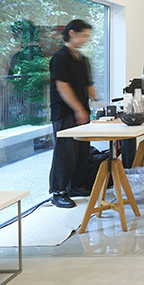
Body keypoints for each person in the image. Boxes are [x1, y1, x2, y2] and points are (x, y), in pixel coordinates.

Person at [48, 19, 98, 208]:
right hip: (65, 112)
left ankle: (76, 186)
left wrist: (99, 101)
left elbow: (88, 85)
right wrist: (78, 109)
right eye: (83, 35)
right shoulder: (60, 57)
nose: (85, 39)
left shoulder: (82, 59)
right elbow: (62, 86)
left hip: (82, 112)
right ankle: (58, 192)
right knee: (65, 152)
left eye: (87, 36)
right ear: (71, 33)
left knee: (82, 150)